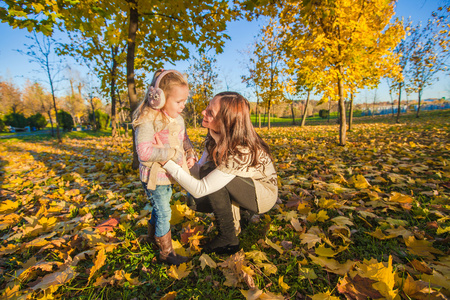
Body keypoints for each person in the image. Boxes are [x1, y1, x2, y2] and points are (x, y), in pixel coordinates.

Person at [159, 91, 278, 255]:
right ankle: (243, 216)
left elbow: (201, 187)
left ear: (225, 122)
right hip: (243, 185)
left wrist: (167, 163)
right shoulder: (215, 136)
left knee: (207, 177)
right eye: (207, 107)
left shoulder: (240, 150)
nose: (203, 112)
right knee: (195, 200)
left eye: (210, 113)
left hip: (263, 195)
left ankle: (228, 237)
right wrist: (183, 159)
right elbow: (200, 170)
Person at [132, 69, 197, 265]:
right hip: (154, 175)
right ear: (158, 98)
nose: (183, 105)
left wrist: (189, 153)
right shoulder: (147, 119)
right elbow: (143, 153)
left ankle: (153, 238)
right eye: (178, 101)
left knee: (160, 208)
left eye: (185, 100)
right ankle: (166, 253)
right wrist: (170, 153)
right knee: (164, 211)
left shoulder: (178, 119)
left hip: (168, 175)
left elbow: (184, 139)